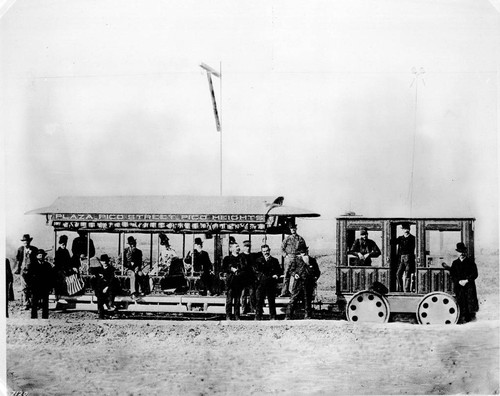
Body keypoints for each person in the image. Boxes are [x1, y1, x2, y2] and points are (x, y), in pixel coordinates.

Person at [442, 242, 479, 323]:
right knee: (460, 302)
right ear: (457, 253)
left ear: (465, 252)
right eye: (460, 252)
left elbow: (475, 274)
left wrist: (466, 280)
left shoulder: (470, 262)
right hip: (459, 286)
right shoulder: (455, 263)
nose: (461, 254)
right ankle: (460, 319)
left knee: (469, 303)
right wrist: (458, 281)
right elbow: (452, 275)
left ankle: (469, 320)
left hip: (469, 286)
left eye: (463, 252)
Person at [285, 244, 321, 320]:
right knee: (294, 298)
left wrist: (314, 278)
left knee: (307, 299)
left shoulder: (312, 260)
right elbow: (290, 270)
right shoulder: (296, 260)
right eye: (301, 252)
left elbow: (317, 272)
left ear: (307, 251)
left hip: (308, 283)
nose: (303, 253)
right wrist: (295, 275)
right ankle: (288, 316)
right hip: (298, 282)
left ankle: (307, 316)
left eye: (304, 251)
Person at [254, 244, 282, 320]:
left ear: (269, 250)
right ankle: (258, 316)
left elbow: (279, 271)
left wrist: (277, 275)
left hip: (271, 283)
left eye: (267, 251)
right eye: (264, 251)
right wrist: (261, 278)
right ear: (262, 252)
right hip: (262, 283)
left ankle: (272, 316)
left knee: (271, 300)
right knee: (259, 300)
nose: (266, 252)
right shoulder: (258, 261)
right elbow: (256, 271)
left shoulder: (274, 260)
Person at [280, 221, 306, 297]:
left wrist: (301, 255)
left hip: (297, 258)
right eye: (291, 228)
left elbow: (304, 249)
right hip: (289, 258)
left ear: (296, 229)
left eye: (294, 228)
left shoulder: (300, 239)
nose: (293, 230)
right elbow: (282, 248)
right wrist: (285, 256)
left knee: (297, 275)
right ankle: (284, 292)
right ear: (290, 230)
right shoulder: (287, 239)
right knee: (287, 275)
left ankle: (295, 292)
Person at [28, 249, 54, 319]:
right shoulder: (32, 265)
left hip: (45, 287)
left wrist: (50, 287)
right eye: (39, 255)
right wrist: (30, 286)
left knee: (45, 303)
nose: (41, 257)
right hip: (35, 287)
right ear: (36, 256)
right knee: (34, 303)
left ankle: (45, 318)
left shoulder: (47, 265)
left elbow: (51, 277)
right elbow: (28, 277)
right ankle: (33, 318)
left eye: (42, 255)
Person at [90, 254, 119, 318]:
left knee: (106, 294)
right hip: (101, 288)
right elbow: (91, 270)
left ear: (108, 261)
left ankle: (105, 310)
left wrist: (107, 287)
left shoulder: (111, 269)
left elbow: (112, 280)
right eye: (103, 261)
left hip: (109, 288)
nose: (104, 263)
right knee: (99, 295)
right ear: (100, 262)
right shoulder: (99, 269)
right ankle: (101, 312)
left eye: (106, 261)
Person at [15, 233, 39, 310]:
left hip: (32, 271)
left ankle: (32, 303)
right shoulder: (20, 249)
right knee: (24, 288)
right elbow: (18, 260)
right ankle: (26, 304)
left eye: (27, 241)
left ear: (29, 241)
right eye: (24, 241)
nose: (26, 243)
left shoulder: (34, 249)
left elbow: (36, 261)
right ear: (23, 242)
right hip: (23, 270)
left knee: (32, 287)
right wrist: (18, 269)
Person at [222, 242, 243, 320]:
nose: (238, 248)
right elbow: (224, 268)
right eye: (236, 246)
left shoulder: (241, 258)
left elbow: (244, 268)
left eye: (238, 246)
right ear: (231, 249)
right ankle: (228, 316)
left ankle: (237, 316)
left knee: (237, 300)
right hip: (230, 282)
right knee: (229, 300)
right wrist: (231, 269)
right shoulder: (227, 258)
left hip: (238, 282)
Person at [395, 223, 416, 292]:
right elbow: (392, 242)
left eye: (407, 229)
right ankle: (400, 290)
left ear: (409, 230)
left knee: (407, 275)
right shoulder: (400, 238)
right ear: (403, 230)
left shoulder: (413, 238)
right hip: (401, 259)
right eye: (404, 229)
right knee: (398, 274)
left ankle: (407, 291)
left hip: (409, 259)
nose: (406, 230)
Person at [239, 240, 258, 314]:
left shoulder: (252, 256)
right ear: (243, 247)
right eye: (246, 246)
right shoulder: (241, 256)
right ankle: (243, 308)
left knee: (252, 294)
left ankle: (252, 308)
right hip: (243, 278)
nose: (247, 248)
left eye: (249, 246)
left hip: (251, 278)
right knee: (243, 294)